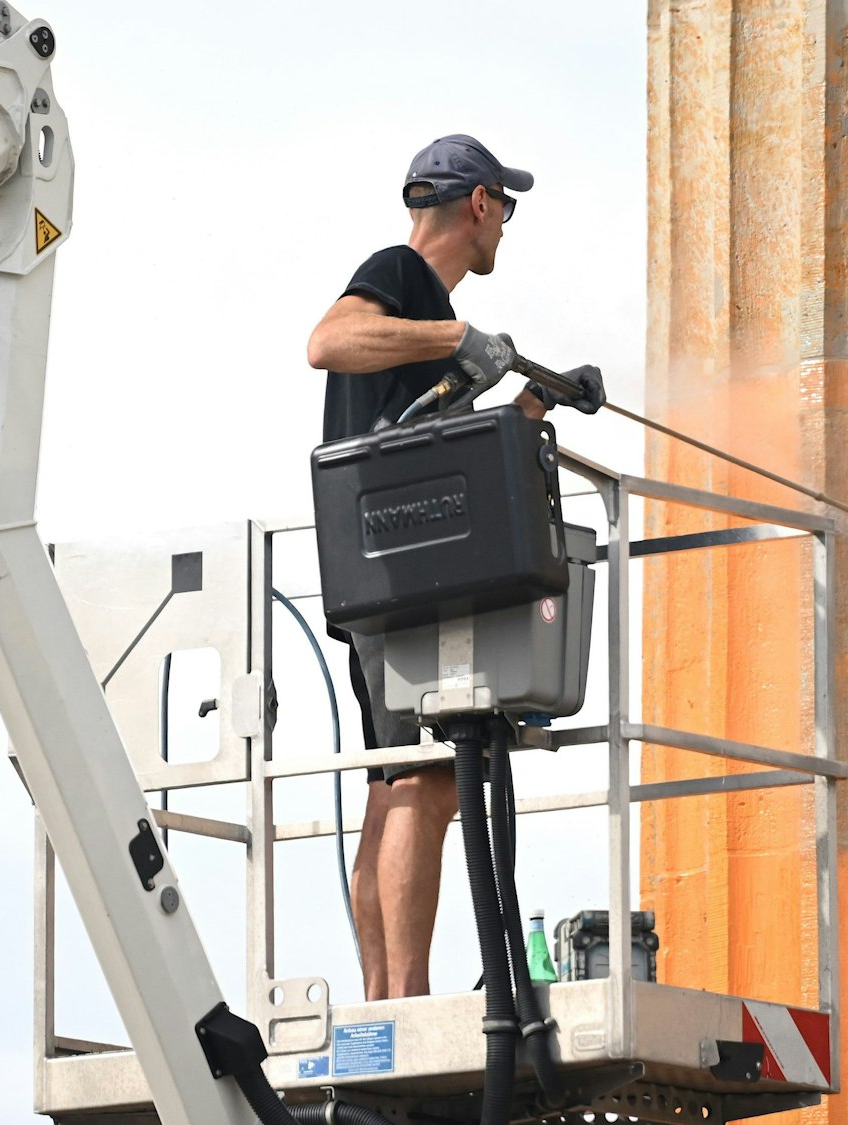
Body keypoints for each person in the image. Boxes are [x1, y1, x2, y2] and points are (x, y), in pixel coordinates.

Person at [305, 135, 602, 1001]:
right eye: (504, 208)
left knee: (395, 781)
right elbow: (326, 342)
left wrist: (534, 403)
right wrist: (457, 333)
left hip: (391, 567)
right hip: (397, 570)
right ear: (479, 204)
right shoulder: (400, 277)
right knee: (428, 785)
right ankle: (400, 1003)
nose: (506, 225)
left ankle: (383, 995)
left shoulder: (425, 326)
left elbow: (435, 433)